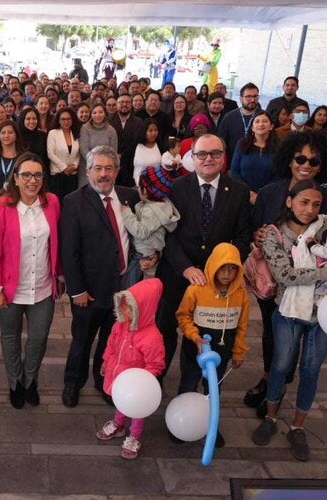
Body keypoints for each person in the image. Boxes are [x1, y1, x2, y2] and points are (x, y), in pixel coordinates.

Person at [251, 179, 327, 461]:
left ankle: (298, 426)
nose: (310, 209)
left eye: (316, 204)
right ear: (289, 201)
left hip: (326, 313)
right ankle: (270, 418)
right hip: (288, 312)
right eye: (304, 202)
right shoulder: (274, 235)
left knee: (311, 370)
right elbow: (286, 276)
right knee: (280, 365)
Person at [244, 130, 327, 415]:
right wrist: (257, 235)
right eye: (300, 157)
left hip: (307, 288)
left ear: (323, 166)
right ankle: (267, 376)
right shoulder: (269, 193)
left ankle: (280, 384)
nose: (306, 164)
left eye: (314, 160)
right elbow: (252, 227)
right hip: (270, 281)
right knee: (272, 334)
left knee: (294, 336)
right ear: (288, 159)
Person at [154, 134, 251, 385]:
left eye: (215, 153)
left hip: (218, 282)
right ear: (192, 158)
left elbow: (243, 236)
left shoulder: (239, 191)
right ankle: (157, 378)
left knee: (206, 336)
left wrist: (221, 269)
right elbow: (167, 235)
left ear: (224, 156)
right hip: (177, 274)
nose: (209, 159)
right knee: (165, 330)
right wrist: (186, 268)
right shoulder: (175, 188)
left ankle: (201, 389)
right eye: (202, 154)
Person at [59, 145, 141, 407]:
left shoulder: (131, 197)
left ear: (117, 171)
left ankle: (103, 381)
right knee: (81, 341)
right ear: (88, 170)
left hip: (123, 288)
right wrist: (77, 290)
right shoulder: (74, 201)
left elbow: (139, 236)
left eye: (109, 168)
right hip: (89, 290)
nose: (103, 174)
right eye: (98, 168)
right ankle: (73, 383)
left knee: (111, 340)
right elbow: (68, 251)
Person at [0, 152, 62, 408]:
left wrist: (59, 275)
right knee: (10, 336)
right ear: (15, 178)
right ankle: (14, 382)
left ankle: (30, 380)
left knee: (39, 338)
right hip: (9, 289)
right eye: (26, 174)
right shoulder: (0, 207)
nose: (32, 180)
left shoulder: (52, 202)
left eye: (38, 174)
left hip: (43, 287)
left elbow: (57, 243)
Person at [176, 243, 249, 447]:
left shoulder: (240, 294)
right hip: (195, 350)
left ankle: (211, 425)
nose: (227, 274)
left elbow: (242, 325)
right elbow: (183, 316)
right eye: (222, 268)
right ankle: (182, 423)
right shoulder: (196, 290)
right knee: (188, 384)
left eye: (232, 268)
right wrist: (194, 336)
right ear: (213, 266)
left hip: (222, 353)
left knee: (213, 390)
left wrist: (238, 352)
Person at [96, 278, 165, 460]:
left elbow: (156, 364)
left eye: (130, 308)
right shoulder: (120, 325)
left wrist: (143, 382)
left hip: (137, 384)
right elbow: (111, 345)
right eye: (123, 306)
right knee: (121, 401)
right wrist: (105, 361)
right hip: (119, 374)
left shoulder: (152, 337)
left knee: (137, 411)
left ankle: (134, 435)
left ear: (142, 310)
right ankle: (119, 424)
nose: (124, 310)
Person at [121, 167, 180, 282]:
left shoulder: (152, 211)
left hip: (142, 254)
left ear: (144, 191)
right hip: (151, 253)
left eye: (139, 187)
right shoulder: (164, 204)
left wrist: (126, 213)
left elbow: (141, 232)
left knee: (129, 287)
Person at [230, 110, 278, 203]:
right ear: (252, 127)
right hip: (243, 195)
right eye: (257, 121)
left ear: (271, 126)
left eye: (265, 121)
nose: (261, 124)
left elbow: (279, 176)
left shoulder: (278, 147)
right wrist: (249, 193)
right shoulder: (242, 144)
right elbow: (235, 172)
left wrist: (262, 194)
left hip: (269, 197)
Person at [217, 83, 260, 163]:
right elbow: (221, 142)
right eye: (248, 97)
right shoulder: (229, 117)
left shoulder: (264, 117)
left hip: (256, 163)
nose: (252, 100)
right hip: (232, 163)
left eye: (255, 96)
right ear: (241, 98)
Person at [46, 108, 81, 202]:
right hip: (57, 175)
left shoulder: (76, 133)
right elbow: (50, 153)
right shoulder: (53, 133)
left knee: (72, 202)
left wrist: (75, 166)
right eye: (63, 119)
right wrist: (65, 168)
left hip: (72, 175)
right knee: (58, 203)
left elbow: (78, 153)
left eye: (68, 119)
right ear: (58, 120)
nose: (66, 122)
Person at [79, 104, 118, 188]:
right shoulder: (85, 128)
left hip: (106, 167)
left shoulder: (111, 130)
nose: (97, 115)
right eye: (94, 112)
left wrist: (103, 165)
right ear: (91, 114)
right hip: (89, 166)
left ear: (105, 113)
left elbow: (113, 151)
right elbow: (83, 149)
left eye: (100, 112)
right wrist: (95, 164)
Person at [110, 94, 144, 187]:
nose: (124, 104)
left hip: (131, 164)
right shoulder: (109, 121)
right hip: (113, 163)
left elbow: (137, 142)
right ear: (117, 104)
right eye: (121, 102)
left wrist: (124, 155)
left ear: (131, 104)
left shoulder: (139, 122)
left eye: (127, 102)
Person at [17, 107, 48, 173]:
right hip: (21, 172)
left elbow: (46, 158)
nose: (31, 121)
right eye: (28, 119)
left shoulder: (43, 136)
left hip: (39, 172)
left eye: (34, 119)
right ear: (23, 120)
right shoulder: (16, 136)